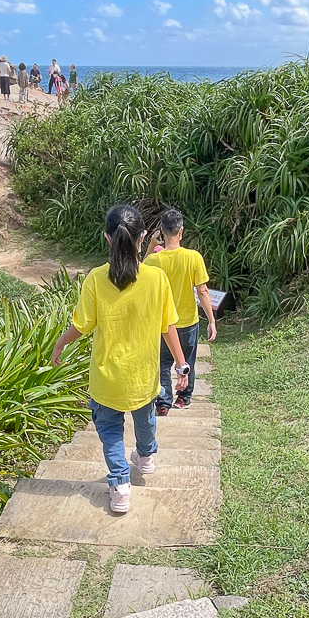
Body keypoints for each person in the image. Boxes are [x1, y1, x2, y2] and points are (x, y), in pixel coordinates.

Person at [51, 205, 190, 514]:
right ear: (143, 237)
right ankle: (146, 455)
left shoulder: (96, 279)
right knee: (146, 419)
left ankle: (121, 487)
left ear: (106, 238)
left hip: (106, 378)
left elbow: (81, 325)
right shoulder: (156, 279)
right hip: (143, 375)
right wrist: (181, 364)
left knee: (111, 431)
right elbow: (168, 326)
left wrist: (59, 345)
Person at [144, 208, 217, 416]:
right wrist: (211, 320)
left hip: (162, 323)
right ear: (181, 231)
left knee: (163, 363)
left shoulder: (153, 261)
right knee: (187, 360)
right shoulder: (193, 257)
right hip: (187, 320)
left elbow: (140, 273)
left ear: (161, 232)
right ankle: (183, 399)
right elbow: (202, 290)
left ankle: (163, 402)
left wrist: (151, 247)